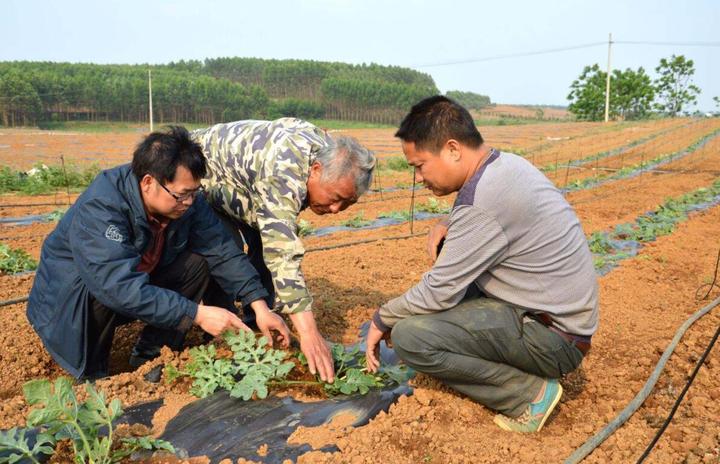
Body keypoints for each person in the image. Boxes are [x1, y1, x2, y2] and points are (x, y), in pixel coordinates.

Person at [365, 96, 599, 433]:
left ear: (453, 150)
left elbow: (437, 292)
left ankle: (527, 396)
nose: (417, 177)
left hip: (554, 340)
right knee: (432, 303)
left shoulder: (483, 201)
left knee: (410, 336)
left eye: (419, 164)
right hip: (558, 321)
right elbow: (487, 218)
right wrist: (449, 223)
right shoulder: (505, 166)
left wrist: (381, 318)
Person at [27, 126, 290, 380]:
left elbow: (221, 250)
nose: (188, 202)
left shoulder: (186, 203)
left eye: (194, 192)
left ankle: (154, 353)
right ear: (148, 182)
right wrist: (197, 313)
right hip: (70, 300)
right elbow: (117, 286)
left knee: (199, 263)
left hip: (134, 282)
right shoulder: (103, 206)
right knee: (99, 287)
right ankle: (93, 373)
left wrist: (259, 306)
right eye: (181, 195)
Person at [192, 118, 376, 383]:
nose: (336, 209)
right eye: (335, 197)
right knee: (224, 249)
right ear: (315, 169)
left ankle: (258, 320)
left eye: (347, 203)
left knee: (263, 244)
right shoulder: (285, 169)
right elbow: (282, 252)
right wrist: (309, 333)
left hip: (249, 186)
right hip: (206, 174)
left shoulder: (325, 157)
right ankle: (225, 336)